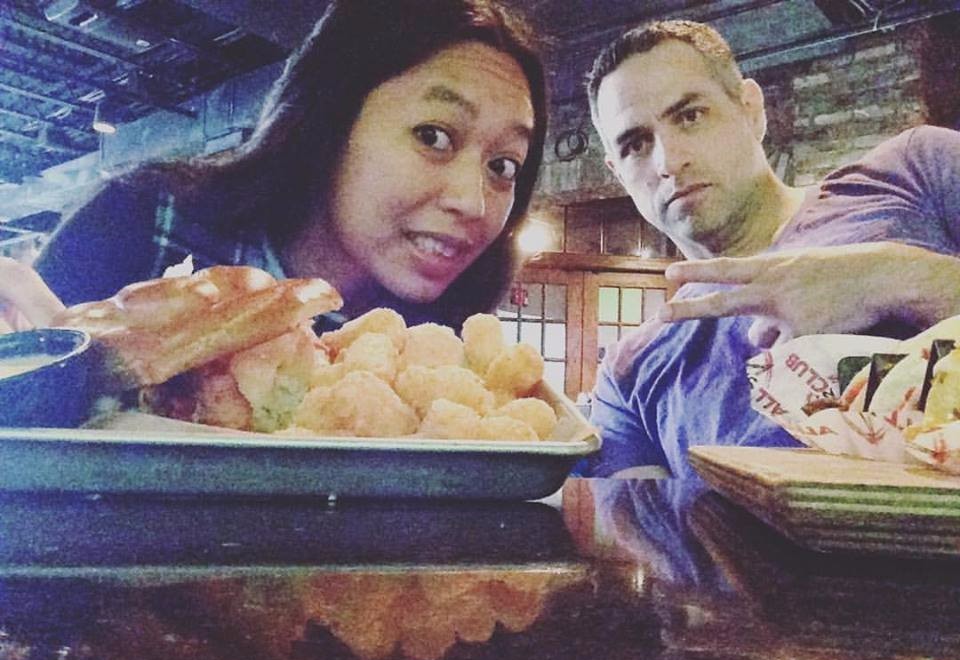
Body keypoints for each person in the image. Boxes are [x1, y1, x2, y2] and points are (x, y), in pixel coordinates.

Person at [582, 19, 960, 509]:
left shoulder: (914, 172)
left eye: (691, 116)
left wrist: (897, 278)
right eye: (635, 144)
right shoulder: (627, 373)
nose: (669, 161)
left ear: (751, 109)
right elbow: (644, 544)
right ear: (617, 173)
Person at [21, 0, 546, 332]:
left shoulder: (438, 343)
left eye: (503, 166)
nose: (473, 202)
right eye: (433, 136)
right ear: (329, 117)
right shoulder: (143, 224)